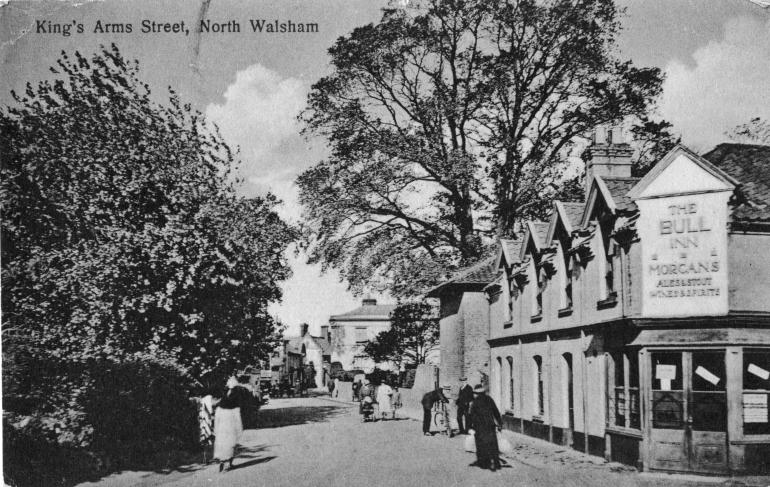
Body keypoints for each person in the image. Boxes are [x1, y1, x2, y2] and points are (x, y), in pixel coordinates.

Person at [213, 376, 250, 472]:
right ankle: (229, 463)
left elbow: (217, 418)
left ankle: (222, 461)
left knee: (222, 443)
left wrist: (216, 429)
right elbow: (238, 419)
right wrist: (239, 430)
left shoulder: (221, 405)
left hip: (222, 427)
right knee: (231, 444)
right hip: (231, 426)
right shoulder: (235, 404)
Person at [467, 383, 502, 471]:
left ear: (476, 393)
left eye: (474, 393)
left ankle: (484, 463)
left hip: (479, 427)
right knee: (492, 444)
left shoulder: (474, 402)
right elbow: (496, 411)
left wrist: (469, 427)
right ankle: (495, 463)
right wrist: (500, 423)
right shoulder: (489, 399)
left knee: (481, 445)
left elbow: (470, 416)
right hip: (490, 426)